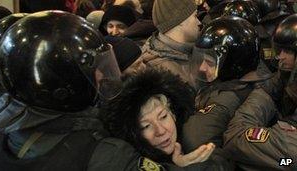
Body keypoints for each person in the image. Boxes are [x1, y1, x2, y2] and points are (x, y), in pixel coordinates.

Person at [0, 10, 170, 171]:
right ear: (65, 86)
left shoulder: (1, 137)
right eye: (94, 70)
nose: (102, 75)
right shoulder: (105, 154)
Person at [103, 68, 233, 170]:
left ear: (173, 114)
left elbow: (226, 160)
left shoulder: (193, 133)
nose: (160, 130)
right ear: (132, 133)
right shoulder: (130, 162)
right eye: (146, 126)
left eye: (163, 117)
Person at [181, 16, 272, 151]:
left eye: (210, 62)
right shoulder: (259, 75)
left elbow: (193, 141)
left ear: (234, 63)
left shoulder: (225, 101)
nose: (202, 67)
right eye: (202, 60)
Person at [223, 13, 297, 170]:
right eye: (280, 50)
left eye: (288, 51)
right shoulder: (285, 77)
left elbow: (235, 139)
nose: (280, 57)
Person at [126, 0, 202, 88]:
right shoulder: (159, 71)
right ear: (180, 21)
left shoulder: (190, 50)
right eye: (195, 16)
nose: (199, 22)